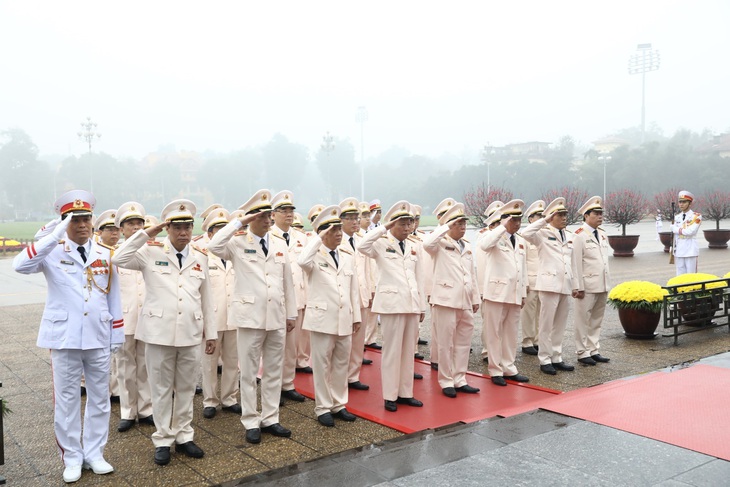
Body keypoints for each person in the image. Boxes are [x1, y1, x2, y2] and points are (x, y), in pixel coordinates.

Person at [13, 190, 124, 483]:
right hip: (64, 337)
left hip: (99, 336)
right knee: (66, 400)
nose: (83, 225)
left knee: (100, 399)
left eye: (87, 219)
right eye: (75, 220)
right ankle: (72, 457)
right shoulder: (52, 251)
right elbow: (19, 265)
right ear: (64, 223)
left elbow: (113, 297)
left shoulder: (105, 253)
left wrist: (117, 335)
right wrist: (53, 234)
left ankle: (95, 453)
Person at [113, 199, 217, 466]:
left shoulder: (199, 258)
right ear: (167, 229)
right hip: (158, 333)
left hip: (190, 332)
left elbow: (207, 299)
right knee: (160, 389)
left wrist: (211, 333)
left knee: (184, 388)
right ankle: (162, 438)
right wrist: (147, 232)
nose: (183, 232)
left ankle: (184, 436)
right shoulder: (150, 252)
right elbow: (119, 257)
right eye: (177, 227)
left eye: (187, 226)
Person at [207, 189, 297, 445]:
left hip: (276, 316)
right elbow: (213, 245)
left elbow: (287, 282)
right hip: (249, 317)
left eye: (270, 215)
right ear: (250, 219)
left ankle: (271, 418)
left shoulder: (279, 243)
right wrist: (239, 222)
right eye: (263, 216)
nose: (268, 220)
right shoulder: (236, 242)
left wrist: (291, 313)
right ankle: (250, 420)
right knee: (247, 372)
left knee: (273, 370)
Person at [358, 201, 427, 412]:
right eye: (403, 224)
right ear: (393, 224)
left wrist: (421, 305)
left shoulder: (414, 246)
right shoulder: (381, 243)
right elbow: (362, 246)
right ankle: (390, 395)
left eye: (410, 223)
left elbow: (419, 278)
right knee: (392, 352)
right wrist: (384, 227)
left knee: (408, 351)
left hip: (411, 304)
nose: (408, 228)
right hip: (391, 304)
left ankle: (406, 392)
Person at [298, 205, 361, 426]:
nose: (337, 234)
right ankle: (323, 407)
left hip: (344, 317)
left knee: (341, 364)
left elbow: (353, 288)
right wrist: (318, 237)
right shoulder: (314, 255)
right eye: (332, 231)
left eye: (338, 230)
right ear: (322, 233)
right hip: (322, 320)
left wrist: (357, 316)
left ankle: (338, 403)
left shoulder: (346, 256)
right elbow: (302, 261)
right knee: (322, 364)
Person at [423, 202, 481, 397]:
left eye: (464, 223)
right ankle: (446, 380)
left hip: (464, 300)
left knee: (463, 342)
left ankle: (460, 378)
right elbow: (426, 244)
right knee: (446, 344)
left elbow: (471, 274)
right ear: (448, 225)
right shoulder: (439, 243)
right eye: (458, 223)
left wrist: (475, 297)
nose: (463, 226)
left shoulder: (467, 245)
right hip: (446, 300)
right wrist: (446, 226)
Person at [520, 197, 576, 376]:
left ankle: (556, 357)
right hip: (549, 285)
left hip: (565, 284)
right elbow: (526, 233)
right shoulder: (543, 233)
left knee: (559, 324)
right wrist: (544, 220)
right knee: (546, 325)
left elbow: (570, 262)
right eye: (560, 215)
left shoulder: (569, 235)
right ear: (552, 216)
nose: (564, 218)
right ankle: (544, 359)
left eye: (565, 214)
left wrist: (574, 283)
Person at [479, 200, 530, 386]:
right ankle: (495, 369)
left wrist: (523, 292)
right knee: (494, 332)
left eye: (519, 220)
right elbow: (484, 245)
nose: (517, 224)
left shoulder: (521, 240)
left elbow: (522, 268)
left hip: (514, 292)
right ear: (504, 220)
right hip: (496, 292)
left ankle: (509, 366)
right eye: (513, 220)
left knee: (511, 332)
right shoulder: (493, 236)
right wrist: (501, 227)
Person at [113, 202, 154, 433]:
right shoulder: (113, 255)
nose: (136, 227)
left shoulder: (153, 251)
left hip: (148, 318)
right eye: (131, 224)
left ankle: (147, 409)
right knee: (125, 367)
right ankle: (128, 411)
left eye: (140, 223)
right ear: (122, 229)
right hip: (125, 319)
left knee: (145, 366)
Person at [198, 208, 242, 419]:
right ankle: (210, 400)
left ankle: (230, 398)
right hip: (212, 319)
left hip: (234, 317)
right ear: (210, 233)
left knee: (232, 361)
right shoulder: (202, 255)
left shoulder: (236, 252)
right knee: (209, 363)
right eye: (218, 229)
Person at [270, 191, 311, 407]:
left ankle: (287, 384)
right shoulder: (269, 237)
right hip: (278, 300)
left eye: (291, 210)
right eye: (283, 211)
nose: (288, 214)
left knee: (292, 346)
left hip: (299, 297)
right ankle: (273, 388)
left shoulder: (301, 237)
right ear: (273, 214)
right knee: (276, 348)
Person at [571, 196, 611, 366]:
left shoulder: (602, 234)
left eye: (601, 213)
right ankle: (582, 351)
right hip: (586, 285)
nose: (600, 216)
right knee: (583, 320)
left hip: (601, 283)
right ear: (586, 216)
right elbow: (575, 263)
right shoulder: (579, 235)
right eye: (596, 213)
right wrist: (577, 286)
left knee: (596, 319)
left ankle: (593, 348)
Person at [338, 198, 373, 391]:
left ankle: (353, 375)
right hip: (344, 298)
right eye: (350, 218)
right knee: (343, 341)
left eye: (356, 218)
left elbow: (368, 269)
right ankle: (340, 376)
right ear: (341, 220)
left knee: (358, 341)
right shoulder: (334, 239)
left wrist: (371, 289)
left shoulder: (362, 241)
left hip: (361, 295)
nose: (355, 222)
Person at [476, 200, 503, 363]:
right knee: (490, 321)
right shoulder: (483, 236)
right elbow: (481, 265)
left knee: (501, 322)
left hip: (503, 286)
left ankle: (498, 350)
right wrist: (482, 289)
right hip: (488, 286)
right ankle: (487, 350)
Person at [519, 200, 545, 356]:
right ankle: (527, 341)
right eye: (538, 216)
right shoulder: (524, 236)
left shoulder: (546, 235)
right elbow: (522, 262)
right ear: (530, 219)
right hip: (531, 281)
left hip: (544, 281)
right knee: (529, 314)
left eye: (543, 215)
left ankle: (537, 340)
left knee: (541, 314)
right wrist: (525, 283)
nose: (542, 218)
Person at [360, 202, 382, 351]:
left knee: (372, 311)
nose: (368, 218)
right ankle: (361, 341)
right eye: (365, 216)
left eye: (369, 215)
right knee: (362, 314)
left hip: (373, 275)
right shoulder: (357, 237)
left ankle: (370, 338)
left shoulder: (372, 232)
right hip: (362, 280)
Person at [672, 190, 702, 275]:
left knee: (691, 275)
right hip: (679, 249)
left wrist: (676, 230)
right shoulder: (677, 217)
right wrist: (673, 248)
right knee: (679, 275)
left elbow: (691, 231)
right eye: (680, 202)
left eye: (684, 202)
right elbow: (675, 236)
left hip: (690, 249)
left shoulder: (696, 216)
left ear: (690, 203)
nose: (681, 204)